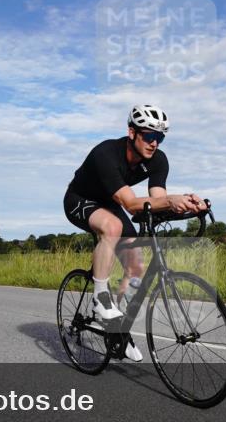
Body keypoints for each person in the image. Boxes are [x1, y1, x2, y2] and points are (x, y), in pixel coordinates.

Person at [63, 104, 208, 361]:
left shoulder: (158, 160)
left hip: (109, 203)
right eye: (149, 136)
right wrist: (172, 200)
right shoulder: (106, 153)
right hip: (79, 199)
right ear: (132, 133)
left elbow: (158, 201)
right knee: (113, 227)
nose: (155, 143)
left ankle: (116, 330)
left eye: (160, 137)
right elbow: (130, 205)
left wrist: (189, 205)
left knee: (136, 265)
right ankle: (101, 299)